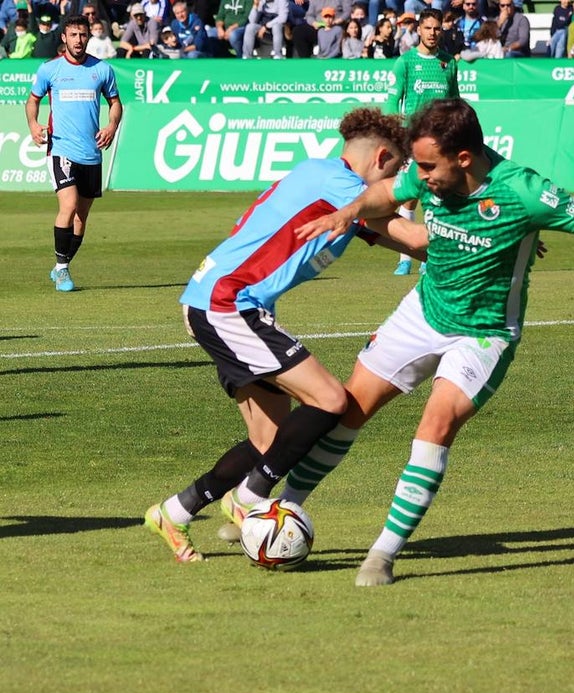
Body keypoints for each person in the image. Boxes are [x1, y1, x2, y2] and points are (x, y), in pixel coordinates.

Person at [283, 98, 574, 587]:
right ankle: (284, 510)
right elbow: (385, 193)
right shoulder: (425, 172)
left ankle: (382, 554)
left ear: (464, 158)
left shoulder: (525, 192)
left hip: (484, 333)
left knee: (436, 423)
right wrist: (351, 210)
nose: (418, 178)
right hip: (424, 310)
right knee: (350, 409)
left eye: (428, 166)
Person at [142, 108, 422, 564]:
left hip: (216, 301)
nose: (394, 182)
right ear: (383, 158)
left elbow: (408, 238)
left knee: (269, 439)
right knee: (331, 400)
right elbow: (401, 223)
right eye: (395, 171)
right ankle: (251, 495)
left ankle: (174, 512)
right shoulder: (341, 185)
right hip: (229, 304)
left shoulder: (329, 184)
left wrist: (489, 238)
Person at [25, 14, 121, 293]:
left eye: (83, 35)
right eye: (74, 35)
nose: (79, 40)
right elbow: (33, 101)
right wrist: (33, 124)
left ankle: (60, 266)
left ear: (88, 37)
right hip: (61, 148)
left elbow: (115, 103)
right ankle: (63, 269)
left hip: (91, 152)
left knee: (81, 217)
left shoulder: (102, 70)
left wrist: (112, 126)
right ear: (64, 38)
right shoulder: (49, 70)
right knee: (67, 206)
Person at [390, 8, 459, 273]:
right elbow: (392, 99)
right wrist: (394, 130)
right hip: (413, 138)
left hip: (442, 141)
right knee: (409, 197)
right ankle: (405, 257)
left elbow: (455, 100)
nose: (432, 33)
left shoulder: (448, 63)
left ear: (442, 30)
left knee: (439, 196)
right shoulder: (406, 62)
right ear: (419, 29)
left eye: (437, 28)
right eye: (428, 28)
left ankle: (431, 257)